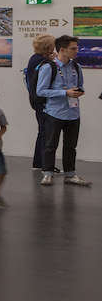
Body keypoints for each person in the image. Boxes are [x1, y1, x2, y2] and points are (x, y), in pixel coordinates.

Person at [37, 35, 90, 187]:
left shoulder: (76, 67)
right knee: (50, 145)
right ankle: (47, 174)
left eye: (76, 48)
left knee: (71, 146)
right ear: (62, 49)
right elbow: (41, 91)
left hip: (73, 112)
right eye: (73, 49)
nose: (76, 51)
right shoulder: (49, 67)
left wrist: (79, 91)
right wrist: (65, 92)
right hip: (54, 112)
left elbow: (81, 85)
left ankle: (70, 174)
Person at [23, 34, 56, 173]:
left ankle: (38, 162)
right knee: (46, 133)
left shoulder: (34, 59)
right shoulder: (44, 63)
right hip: (42, 101)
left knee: (42, 131)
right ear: (48, 47)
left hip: (36, 100)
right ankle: (45, 165)